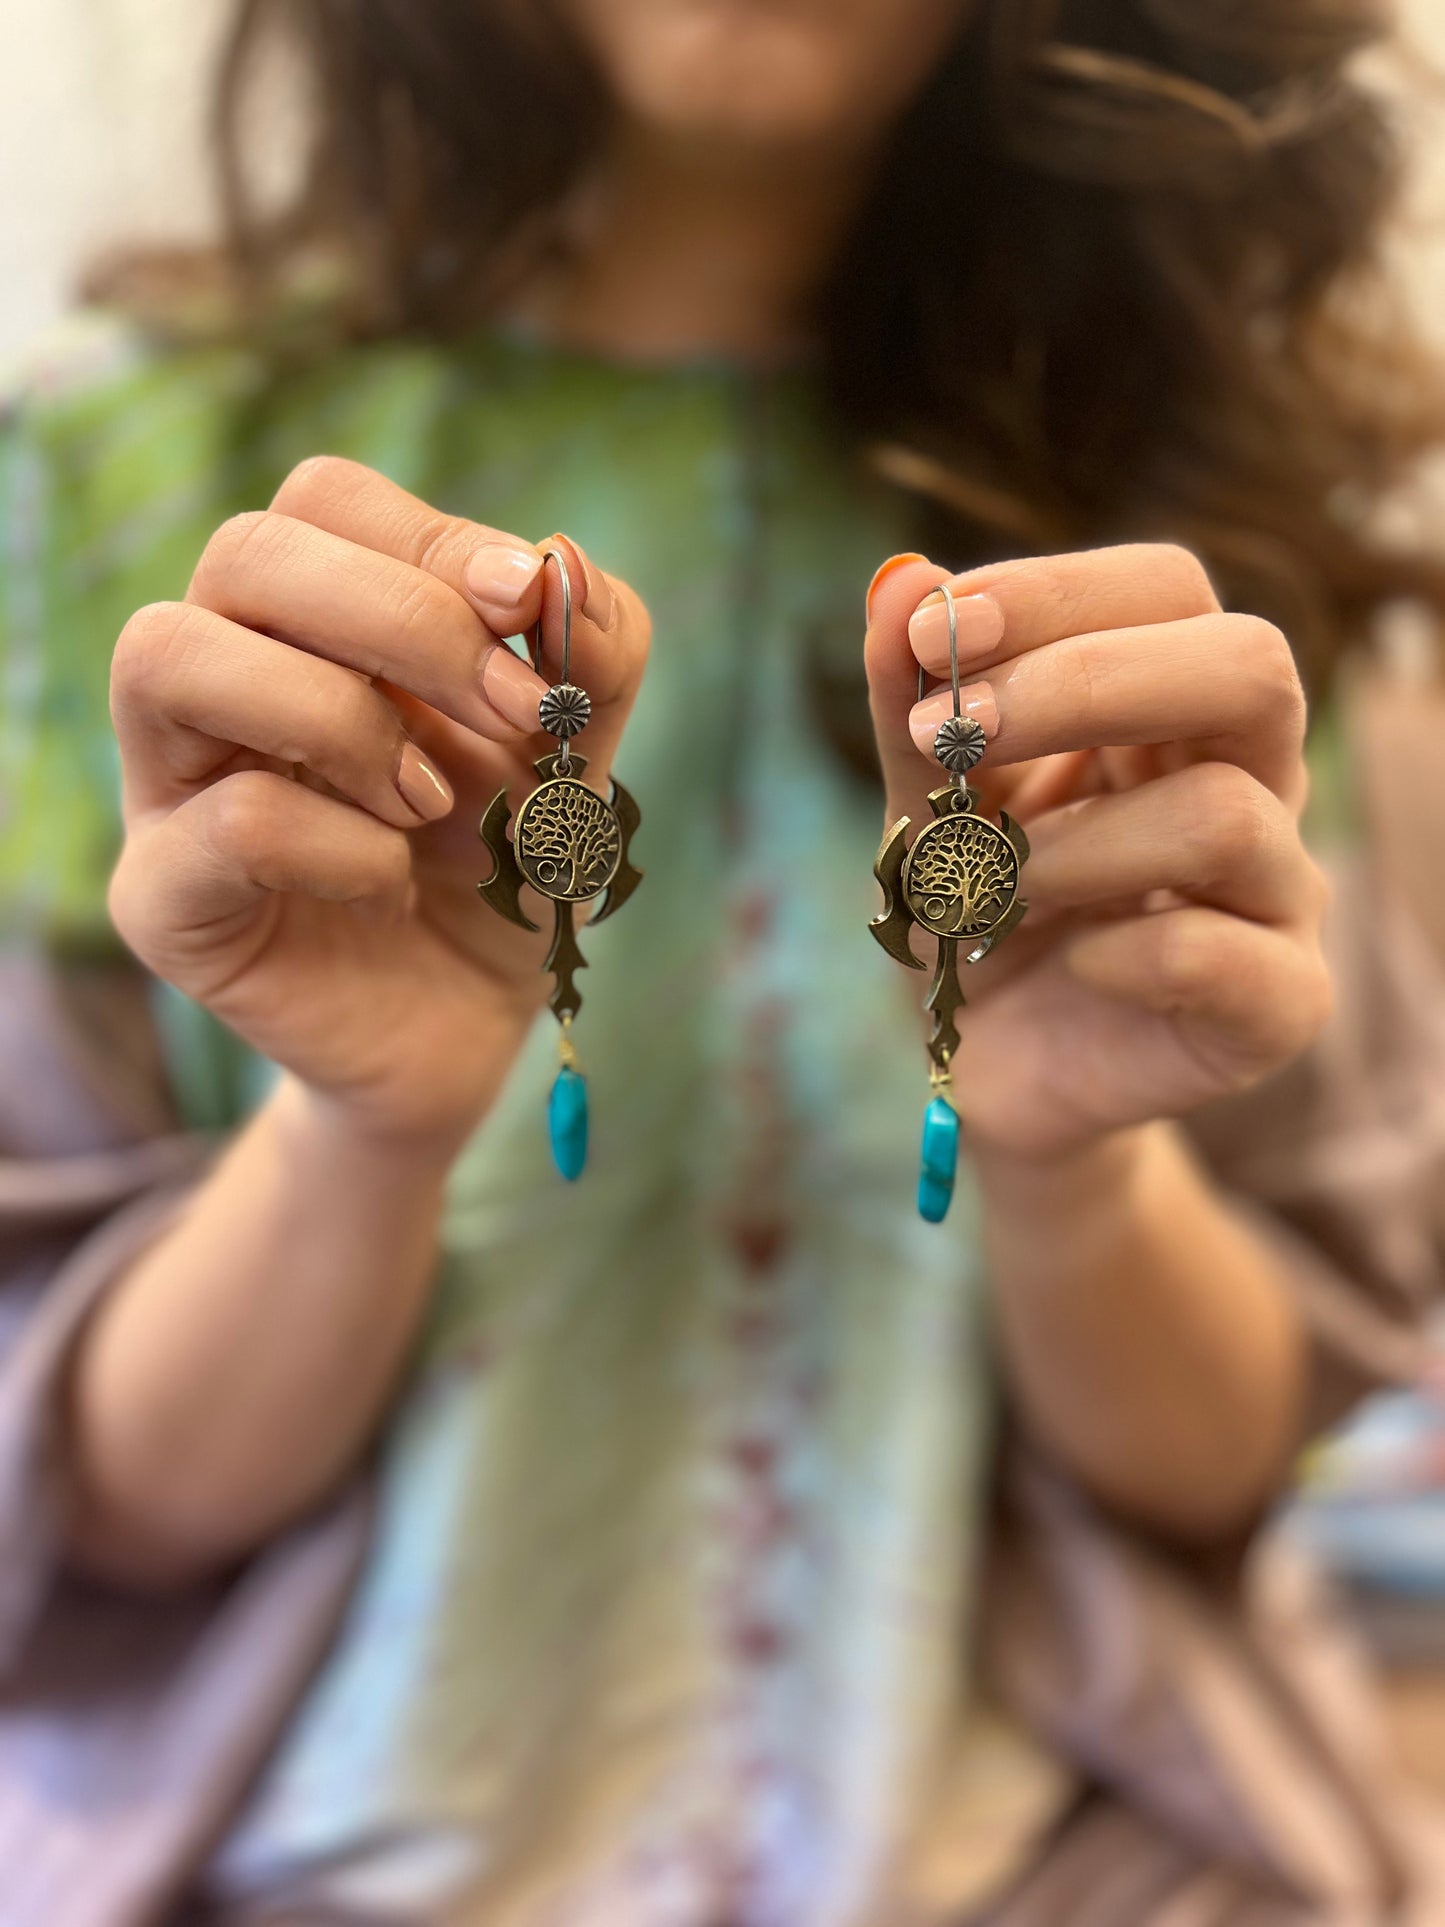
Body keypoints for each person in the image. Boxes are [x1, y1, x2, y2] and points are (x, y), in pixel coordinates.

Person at [2, 1, 1444, 1920]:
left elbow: (1228, 1462)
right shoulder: (127, 486)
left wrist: (1071, 1161)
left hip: (1060, 1862)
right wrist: (355, 1134)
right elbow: (88, 1497)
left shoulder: (1204, 515)